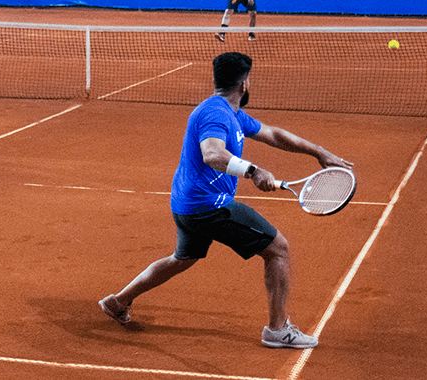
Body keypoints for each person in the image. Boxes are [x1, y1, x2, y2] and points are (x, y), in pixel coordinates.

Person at [98, 52, 353, 348]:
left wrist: (318, 151)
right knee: (278, 249)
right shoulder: (216, 114)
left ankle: (119, 301)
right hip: (209, 206)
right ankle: (277, 330)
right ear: (244, 83)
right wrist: (253, 171)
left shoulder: (229, 112)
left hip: (186, 204)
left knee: (183, 258)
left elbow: (273, 133)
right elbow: (212, 154)